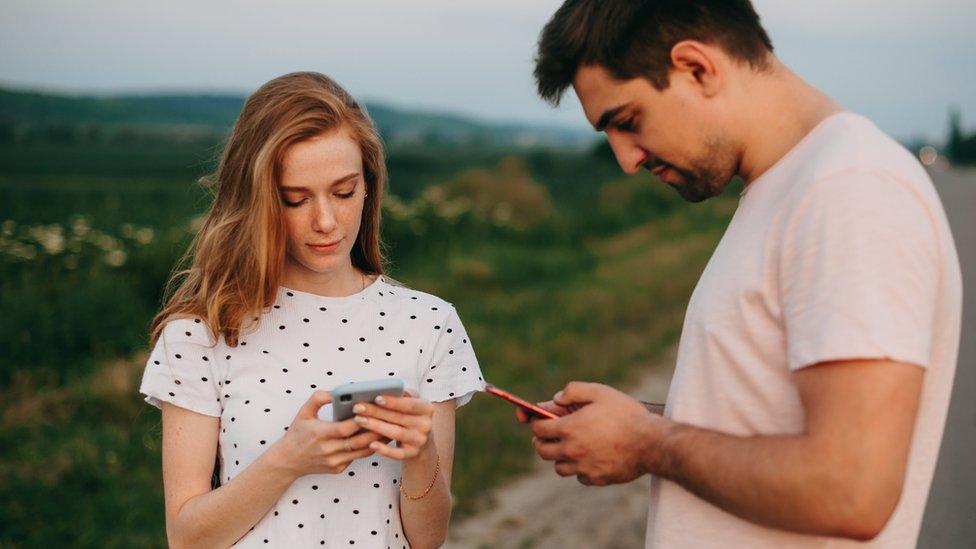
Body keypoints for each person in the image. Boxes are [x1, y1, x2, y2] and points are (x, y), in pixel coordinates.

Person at [520, 1, 963, 547]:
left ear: (697, 68)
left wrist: (648, 442)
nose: (626, 159)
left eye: (628, 122)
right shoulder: (793, 184)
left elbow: (851, 490)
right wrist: (640, 421)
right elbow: (771, 415)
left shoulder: (851, 190)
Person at [138, 71, 485, 548]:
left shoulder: (429, 325)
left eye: (343, 192)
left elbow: (428, 539)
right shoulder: (202, 333)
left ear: (369, 186)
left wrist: (421, 454)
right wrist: (288, 460)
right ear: (257, 201)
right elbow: (186, 537)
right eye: (295, 200)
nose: (325, 221)